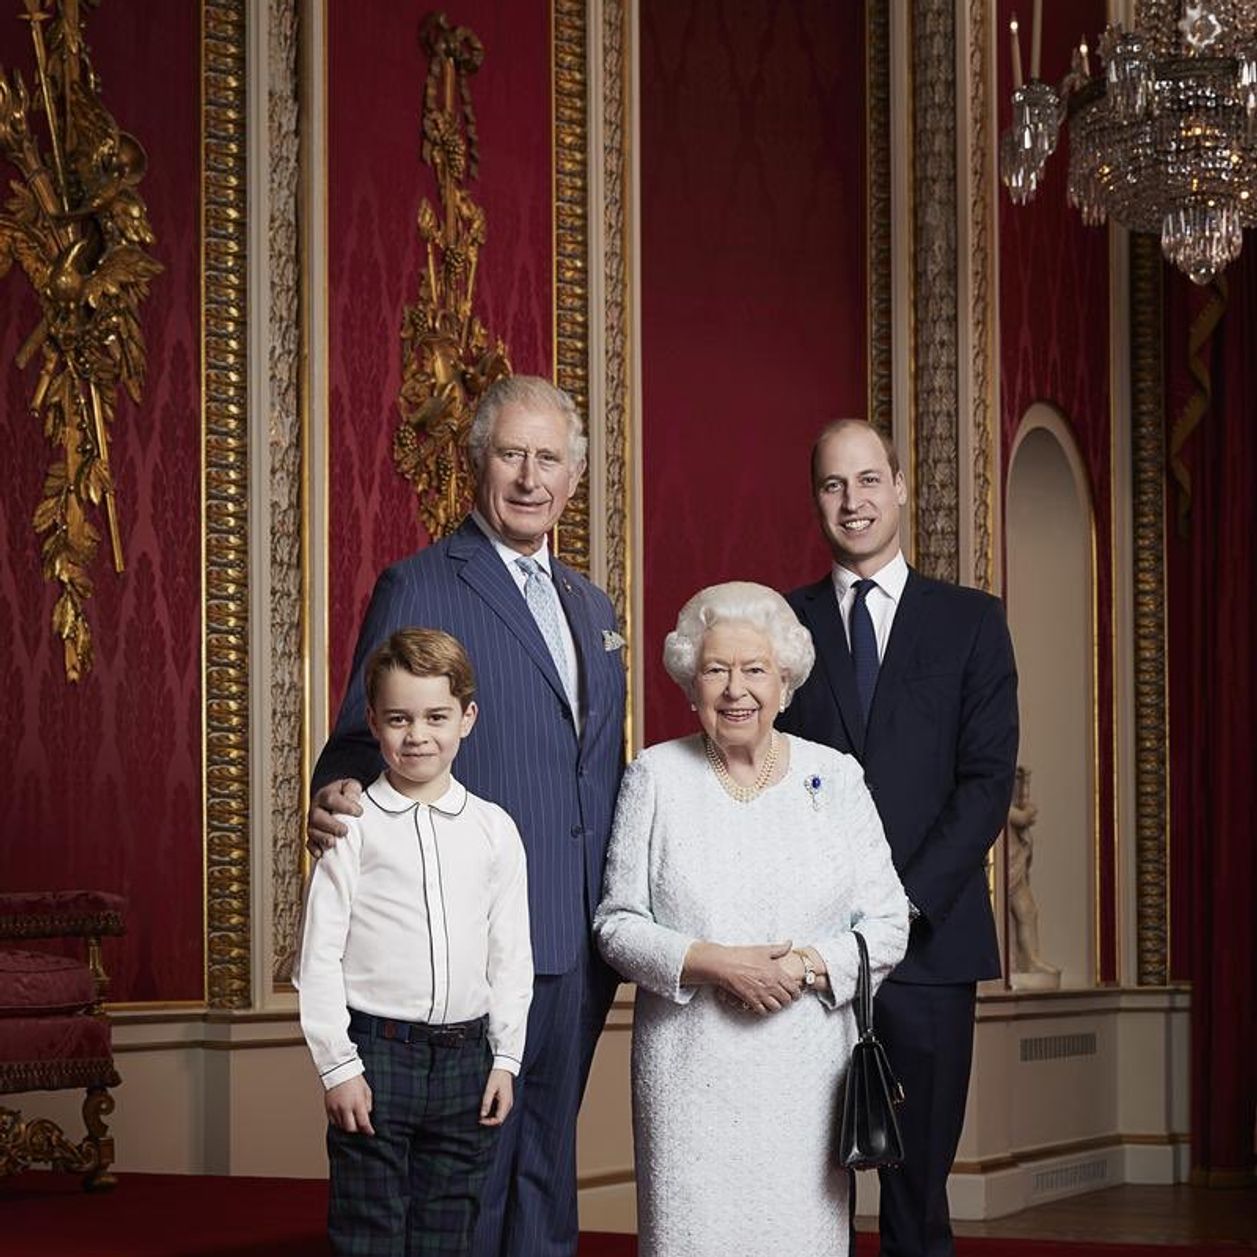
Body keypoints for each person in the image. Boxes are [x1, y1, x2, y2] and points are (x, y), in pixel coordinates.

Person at [307, 376, 626, 1257]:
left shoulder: (591, 607)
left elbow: (598, 770)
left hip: (579, 936)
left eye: (548, 458)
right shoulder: (419, 583)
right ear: (476, 462)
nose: (530, 477)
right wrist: (334, 792)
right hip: (472, 941)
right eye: (511, 454)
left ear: (572, 478)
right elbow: (354, 740)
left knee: (547, 1163)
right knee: (471, 1179)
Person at [594, 581, 909, 1257]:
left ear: (785, 679)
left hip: (804, 1073)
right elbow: (616, 924)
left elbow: (887, 922)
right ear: (689, 681)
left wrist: (803, 965)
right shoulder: (654, 776)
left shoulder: (835, 777)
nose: (735, 689)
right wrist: (716, 962)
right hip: (688, 1073)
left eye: (754, 669)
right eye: (716, 670)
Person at [777, 420, 1019, 1257]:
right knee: (810, 1189)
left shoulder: (971, 623)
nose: (853, 501)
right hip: (810, 951)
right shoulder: (782, 628)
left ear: (901, 486)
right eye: (834, 485)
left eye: (869, 480)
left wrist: (899, 908)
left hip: (931, 945)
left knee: (917, 1193)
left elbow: (986, 781)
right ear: (816, 499)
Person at [294, 628, 533, 1256]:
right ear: (373, 722)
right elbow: (317, 958)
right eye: (399, 719)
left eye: (436, 717)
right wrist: (338, 1067)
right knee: (368, 1230)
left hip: (466, 1060)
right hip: (378, 1055)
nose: (417, 735)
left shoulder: (494, 830)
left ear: (467, 718)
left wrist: (505, 1059)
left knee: (447, 1232)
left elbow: (511, 957)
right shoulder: (352, 826)